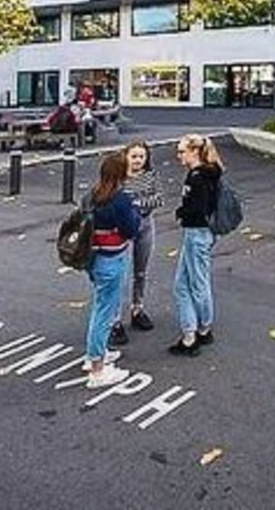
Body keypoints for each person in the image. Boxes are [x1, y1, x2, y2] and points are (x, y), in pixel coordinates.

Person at [83, 152, 141, 389]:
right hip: (112, 258)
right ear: (120, 172)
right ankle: (97, 368)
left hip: (92, 257)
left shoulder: (91, 195)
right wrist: (135, 214)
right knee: (105, 312)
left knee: (100, 305)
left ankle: (98, 352)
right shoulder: (120, 199)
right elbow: (130, 230)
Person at [168, 134, 222, 357]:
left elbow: (197, 209)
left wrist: (181, 212)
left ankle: (201, 330)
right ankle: (191, 332)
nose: (178, 156)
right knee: (182, 285)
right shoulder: (209, 173)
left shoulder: (197, 178)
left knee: (197, 284)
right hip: (200, 233)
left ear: (195, 152)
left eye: (182, 151)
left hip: (197, 233)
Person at [110, 141, 162, 346]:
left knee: (141, 271)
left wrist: (135, 203)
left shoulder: (151, 176)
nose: (138, 160)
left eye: (142, 156)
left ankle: (137, 308)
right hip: (123, 229)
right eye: (134, 156)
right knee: (119, 273)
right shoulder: (118, 177)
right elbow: (113, 200)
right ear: (126, 157)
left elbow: (158, 200)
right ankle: (115, 320)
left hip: (145, 225)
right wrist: (135, 203)